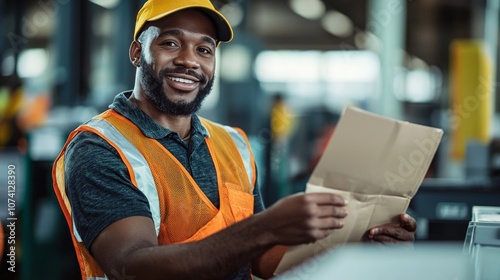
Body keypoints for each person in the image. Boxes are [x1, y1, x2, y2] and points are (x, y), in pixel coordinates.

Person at [52, 0, 417, 279]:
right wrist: (265, 227)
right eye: (170, 43)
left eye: (204, 49)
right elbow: (132, 266)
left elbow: (261, 258)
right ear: (137, 53)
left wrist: (355, 243)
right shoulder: (101, 146)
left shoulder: (233, 145)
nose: (189, 61)